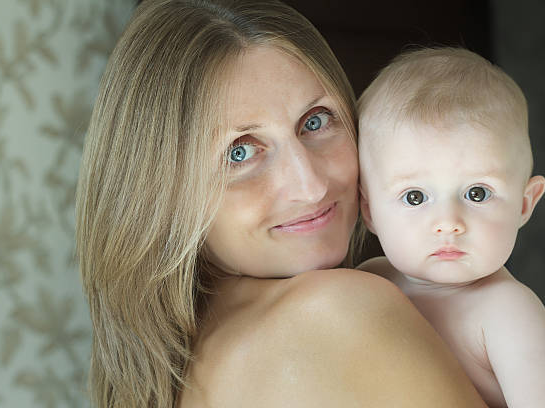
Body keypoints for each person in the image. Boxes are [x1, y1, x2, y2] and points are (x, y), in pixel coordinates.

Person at [76, 1, 488, 407]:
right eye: (240, 152)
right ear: (159, 191)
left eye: (315, 121)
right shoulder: (338, 313)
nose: (310, 187)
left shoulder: (177, 370)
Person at [357, 47, 545, 407]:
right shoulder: (366, 285)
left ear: (524, 204)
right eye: (415, 197)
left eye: (477, 193)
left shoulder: (508, 313)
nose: (448, 223)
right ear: (369, 211)